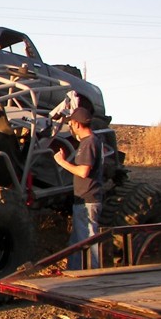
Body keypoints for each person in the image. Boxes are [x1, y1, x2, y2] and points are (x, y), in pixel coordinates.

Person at [53, 106, 103, 270]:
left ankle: (92, 278)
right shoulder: (92, 141)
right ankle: (73, 273)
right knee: (76, 242)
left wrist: (62, 162)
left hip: (88, 200)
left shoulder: (88, 143)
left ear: (77, 124)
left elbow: (83, 171)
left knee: (88, 241)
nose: (71, 128)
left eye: (72, 124)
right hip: (84, 200)